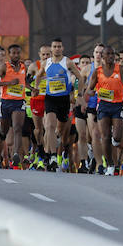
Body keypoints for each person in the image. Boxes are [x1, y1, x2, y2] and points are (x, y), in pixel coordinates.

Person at [34, 38, 83, 172]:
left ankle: (51, 152)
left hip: (64, 100)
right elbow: (38, 76)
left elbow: (80, 77)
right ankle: (52, 156)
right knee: (49, 126)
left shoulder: (67, 62)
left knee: (59, 131)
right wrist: (36, 88)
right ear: (51, 48)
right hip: (50, 98)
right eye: (54, 46)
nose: (57, 49)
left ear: (62, 48)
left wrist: (80, 94)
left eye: (59, 46)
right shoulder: (46, 63)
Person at [84, 46, 123, 175]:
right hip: (103, 106)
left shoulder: (121, 69)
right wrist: (92, 92)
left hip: (117, 106)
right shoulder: (97, 71)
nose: (111, 56)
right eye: (108, 54)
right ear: (103, 56)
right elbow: (89, 88)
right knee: (105, 136)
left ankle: (114, 145)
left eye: (112, 54)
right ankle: (110, 164)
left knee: (116, 136)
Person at [0, 44, 28, 169]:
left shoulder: (23, 66)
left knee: (17, 127)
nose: (16, 55)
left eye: (18, 53)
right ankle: (0, 139)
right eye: (13, 53)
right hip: (6, 102)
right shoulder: (3, 67)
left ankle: (16, 154)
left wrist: (32, 88)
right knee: (3, 131)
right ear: (9, 54)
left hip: (19, 101)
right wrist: (8, 83)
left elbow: (23, 81)